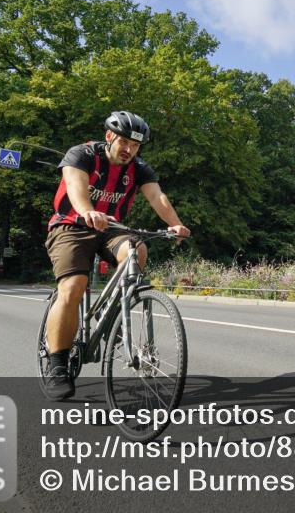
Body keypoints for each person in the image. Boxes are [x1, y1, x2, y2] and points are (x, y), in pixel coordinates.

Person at [43, 111, 190, 400]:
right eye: (124, 142)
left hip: (111, 229)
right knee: (73, 287)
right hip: (71, 225)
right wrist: (86, 211)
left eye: (135, 146)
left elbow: (157, 197)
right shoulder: (82, 154)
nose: (129, 150)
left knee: (137, 249)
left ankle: (115, 315)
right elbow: (75, 186)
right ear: (109, 136)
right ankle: (57, 364)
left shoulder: (140, 168)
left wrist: (174, 223)